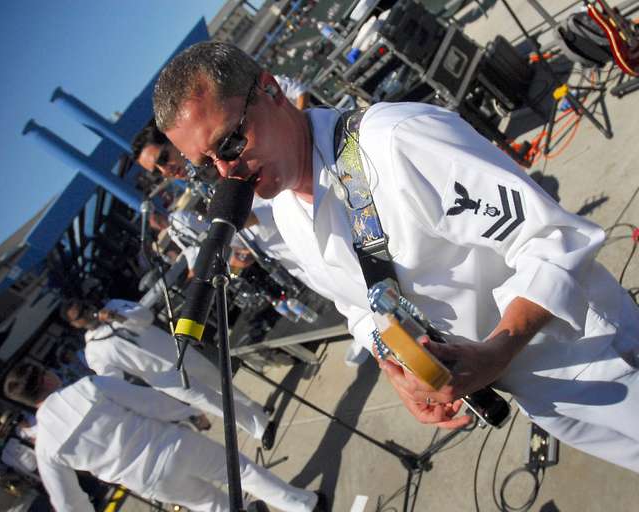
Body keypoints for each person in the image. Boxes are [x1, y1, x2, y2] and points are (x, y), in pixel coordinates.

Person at [152, 41, 639, 472]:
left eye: (231, 142)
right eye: (206, 166)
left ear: (272, 89)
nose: (227, 171)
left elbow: (553, 239)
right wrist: (399, 371)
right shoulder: (285, 210)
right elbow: (360, 305)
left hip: (592, 356)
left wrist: (496, 350)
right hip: (532, 390)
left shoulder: (396, 142)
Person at [2, 362, 323, 512]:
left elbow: (68, 503)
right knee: (242, 473)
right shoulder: (87, 388)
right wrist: (188, 413)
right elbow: (148, 402)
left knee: (213, 507)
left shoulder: (45, 447)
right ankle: (303, 505)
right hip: (170, 444)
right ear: (44, 376)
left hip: (145, 481)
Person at [61, 297, 277, 449]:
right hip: (164, 378)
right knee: (210, 402)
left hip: (177, 352)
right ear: (75, 324)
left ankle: (257, 411)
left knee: (222, 385)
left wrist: (117, 317)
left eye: (84, 307)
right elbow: (113, 377)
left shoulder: (115, 306)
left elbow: (145, 316)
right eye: (80, 315)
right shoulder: (93, 350)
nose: (87, 313)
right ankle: (260, 428)